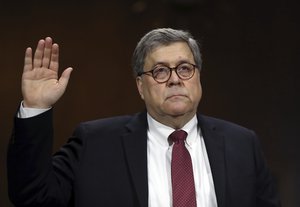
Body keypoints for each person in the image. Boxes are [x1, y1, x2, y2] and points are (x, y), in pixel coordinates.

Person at [7, 28, 281, 207]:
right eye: (160, 71)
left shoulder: (242, 144)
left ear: (198, 77)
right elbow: (32, 198)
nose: (175, 80)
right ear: (140, 86)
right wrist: (35, 108)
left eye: (185, 68)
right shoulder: (94, 143)